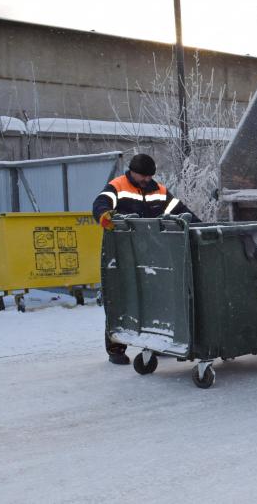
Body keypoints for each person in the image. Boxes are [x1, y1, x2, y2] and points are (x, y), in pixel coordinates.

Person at [93, 153, 199, 365]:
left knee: (156, 298)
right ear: (132, 171)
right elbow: (100, 203)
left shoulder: (158, 190)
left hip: (153, 253)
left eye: (149, 176)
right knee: (122, 298)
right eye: (143, 176)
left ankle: (157, 340)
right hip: (124, 253)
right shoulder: (118, 186)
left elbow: (179, 210)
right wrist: (104, 215)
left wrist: (199, 226)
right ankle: (115, 348)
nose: (146, 180)